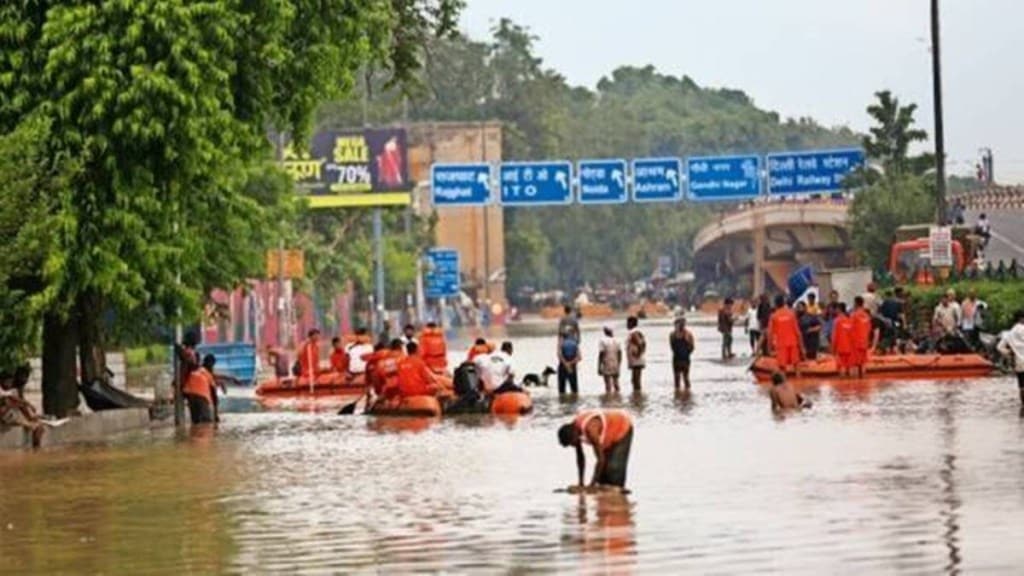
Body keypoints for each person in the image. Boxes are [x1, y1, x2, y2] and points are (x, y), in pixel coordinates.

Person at [558, 409, 634, 489]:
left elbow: (600, 460)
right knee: (603, 475)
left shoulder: (591, 430)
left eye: (572, 443)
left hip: (622, 426)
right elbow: (580, 458)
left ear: (574, 435)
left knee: (614, 468)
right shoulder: (574, 429)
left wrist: (592, 485)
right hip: (609, 434)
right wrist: (581, 483)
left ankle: (619, 492)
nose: (573, 445)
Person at [1, 366, 46, 448]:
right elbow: (14, 402)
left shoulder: (14, 390)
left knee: (39, 427)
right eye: (8, 382)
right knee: (36, 427)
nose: (25, 380)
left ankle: (36, 448)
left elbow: (19, 402)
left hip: (13, 415)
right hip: (8, 415)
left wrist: (30, 413)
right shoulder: (6, 391)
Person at [767, 295, 803, 376]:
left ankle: (784, 383)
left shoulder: (774, 316)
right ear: (784, 303)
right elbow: (798, 333)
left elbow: (770, 334)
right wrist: (802, 347)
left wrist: (769, 349)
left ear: (775, 304)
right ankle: (800, 381)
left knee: (782, 368)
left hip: (781, 345)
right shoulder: (791, 314)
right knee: (797, 367)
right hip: (793, 344)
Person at [996, 311, 1024, 405]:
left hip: (1019, 363)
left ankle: (1022, 406)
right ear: (1021, 319)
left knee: (1021, 386)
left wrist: (1010, 353)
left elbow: (999, 347)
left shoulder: (1009, 333)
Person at [183, 354, 219, 425]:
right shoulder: (207, 373)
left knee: (195, 421)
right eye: (212, 365)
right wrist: (216, 415)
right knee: (206, 422)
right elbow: (214, 394)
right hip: (201, 395)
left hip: (190, 394)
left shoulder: (197, 370)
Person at [851, 296, 876, 378]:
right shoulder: (866, 316)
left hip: (856, 341)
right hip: (864, 341)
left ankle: (856, 381)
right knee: (863, 361)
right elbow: (869, 329)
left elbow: (851, 328)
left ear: (856, 303)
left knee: (855, 363)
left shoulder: (854, 315)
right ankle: (863, 378)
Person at [669, 317, 695, 390]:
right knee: (676, 378)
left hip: (685, 358)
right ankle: (678, 393)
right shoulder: (672, 334)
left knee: (686, 378)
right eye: (676, 325)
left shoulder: (688, 334)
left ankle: (687, 392)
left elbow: (692, 347)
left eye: (679, 324)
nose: (677, 326)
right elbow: (672, 346)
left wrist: (687, 352)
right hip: (676, 358)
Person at [831, 304, 855, 377]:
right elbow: (852, 334)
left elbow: (834, 335)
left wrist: (833, 348)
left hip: (840, 347)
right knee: (849, 369)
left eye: (836, 309)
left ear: (839, 309)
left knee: (841, 370)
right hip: (849, 347)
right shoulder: (849, 320)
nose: (835, 310)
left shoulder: (837, 321)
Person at [598, 325, 622, 395]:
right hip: (615, 363)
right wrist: (619, 365)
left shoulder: (602, 341)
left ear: (605, 332)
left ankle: (608, 398)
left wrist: (599, 366)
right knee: (616, 383)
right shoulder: (617, 340)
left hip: (606, 363)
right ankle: (618, 396)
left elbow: (601, 354)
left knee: (608, 384)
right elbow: (620, 353)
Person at [625, 316, 646, 393]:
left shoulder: (634, 333)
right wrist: (642, 352)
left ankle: (637, 395)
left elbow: (640, 343)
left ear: (631, 323)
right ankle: (637, 394)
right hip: (637, 359)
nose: (626, 324)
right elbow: (644, 343)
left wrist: (638, 353)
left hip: (636, 360)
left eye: (627, 323)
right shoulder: (637, 332)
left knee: (635, 380)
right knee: (635, 379)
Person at [558, 331, 582, 396]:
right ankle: (575, 400)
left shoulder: (561, 344)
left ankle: (562, 401)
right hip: (572, 366)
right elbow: (579, 357)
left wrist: (566, 364)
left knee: (562, 389)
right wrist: (570, 363)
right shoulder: (575, 344)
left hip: (562, 366)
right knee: (574, 388)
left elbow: (559, 356)